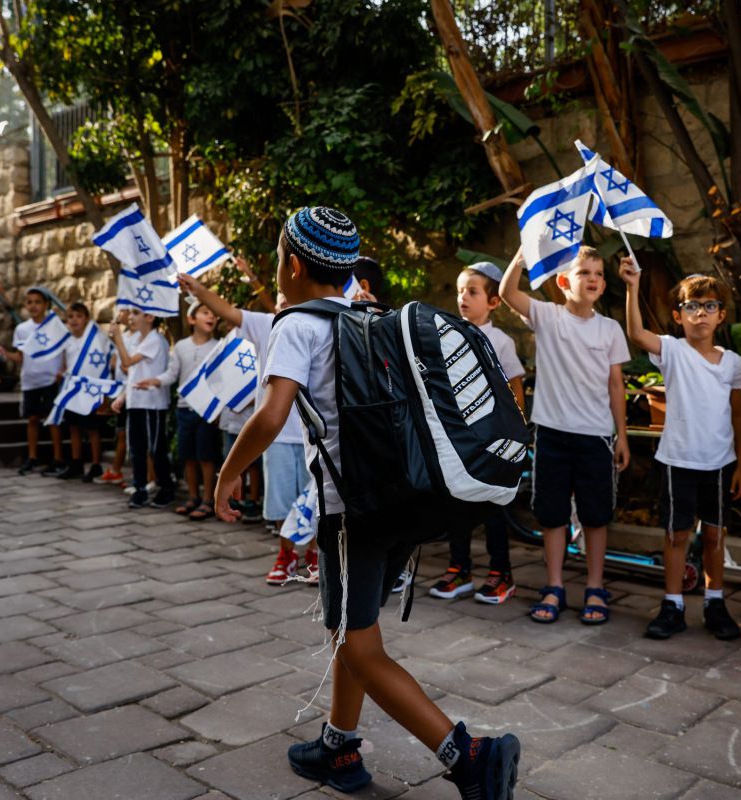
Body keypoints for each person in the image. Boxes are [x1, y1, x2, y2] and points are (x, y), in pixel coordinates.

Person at [214, 207, 520, 797]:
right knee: (351, 629)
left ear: (292, 265)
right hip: (395, 499)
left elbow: (272, 414)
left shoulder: (295, 325)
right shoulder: (364, 316)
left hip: (349, 508)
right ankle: (338, 746)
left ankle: (470, 757)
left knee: (360, 645)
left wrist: (229, 476)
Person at [500, 245, 630, 625]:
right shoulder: (547, 315)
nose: (592, 279)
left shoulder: (610, 329)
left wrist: (621, 435)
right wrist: (520, 257)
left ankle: (594, 587)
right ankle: (554, 586)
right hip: (552, 434)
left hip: (595, 436)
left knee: (595, 516)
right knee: (552, 515)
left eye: (598, 274)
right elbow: (509, 293)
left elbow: (616, 385)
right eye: (583, 272)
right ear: (563, 281)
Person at [621, 262, 741, 640]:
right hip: (678, 461)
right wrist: (633, 284)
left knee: (714, 535)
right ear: (678, 316)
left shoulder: (733, 363)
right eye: (692, 306)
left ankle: (714, 602)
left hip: (720, 463)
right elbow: (635, 332)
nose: (701, 313)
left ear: (721, 315)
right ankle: (672, 604)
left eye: (710, 306)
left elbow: (739, 415)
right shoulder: (673, 351)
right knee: (677, 535)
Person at [180, 262, 318, 581]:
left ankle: (313, 554)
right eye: (279, 296)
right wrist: (199, 290)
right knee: (284, 502)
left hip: (313, 435)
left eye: (287, 295)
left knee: (312, 502)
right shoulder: (265, 324)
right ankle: (286, 556)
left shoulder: (313, 326)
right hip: (278, 437)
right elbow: (229, 312)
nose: (283, 300)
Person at [429, 262, 526, 604]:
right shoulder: (446, 336)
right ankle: (460, 568)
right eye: (460, 291)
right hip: (459, 439)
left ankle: (501, 573)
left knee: (494, 508)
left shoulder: (500, 341)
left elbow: (515, 388)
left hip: (493, 441)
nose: (463, 298)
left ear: (494, 301)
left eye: (472, 292)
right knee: (457, 503)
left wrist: (514, 436)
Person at [145, 300, 222, 520]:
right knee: (188, 456)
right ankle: (193, 497)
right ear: (191, 319)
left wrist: (218, 411)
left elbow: (220, 381)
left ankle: (209, 499)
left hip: (206, 411)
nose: (211, 317)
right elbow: (172, 374)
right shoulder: (181, 347)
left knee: (206, 456)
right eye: (205, 312)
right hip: (184, 409)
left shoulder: (219, 346)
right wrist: (155, 381)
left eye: (214, 314)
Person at [110, 311, 175, 509]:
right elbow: (129, 371)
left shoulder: (155, 340)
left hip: (152, 403)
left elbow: (128, 362)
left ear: (150, 317)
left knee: (155, 449)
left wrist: (118, 337)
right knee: (136, 449)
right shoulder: (137, 338)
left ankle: (166, 487)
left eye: (137, 313)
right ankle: (140, 489)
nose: (131, 316)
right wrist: (123, 396)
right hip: (136, 402)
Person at [0, 288, 65, 476]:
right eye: (29, 302)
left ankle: (58, 458)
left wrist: (62, 370)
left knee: (53, 420)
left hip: (51, 378)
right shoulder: (22, 329)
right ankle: (32, 457)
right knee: (33, 419)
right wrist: (4, 354)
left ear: (45, 305)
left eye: (37, 302)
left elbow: (64, 349)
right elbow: (20, 356)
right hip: (31, 380)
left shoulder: (56, 325)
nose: (33, 306)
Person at [53, 302, 111, 482]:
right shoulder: (68, 341)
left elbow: (105, 361)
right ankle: (76, 462)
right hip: (73, 389)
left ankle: (95, 464)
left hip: (90, 389)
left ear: (86, 319)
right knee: (74, 427)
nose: (74, 320)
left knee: (92, 428)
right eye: (71, 317)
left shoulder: (96, 339)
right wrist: (62, 373)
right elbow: (66, 363)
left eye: (79, 316)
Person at [97, 308, 136, 486]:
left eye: (126, 311)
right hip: (120, 391)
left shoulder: (139, 338)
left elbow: (130, 367)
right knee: (120, 433)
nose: (121, 315)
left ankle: (138, 476)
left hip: (134, 392)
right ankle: (116, 470)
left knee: (130, 435)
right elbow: (115, 363)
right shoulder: (124, 336)